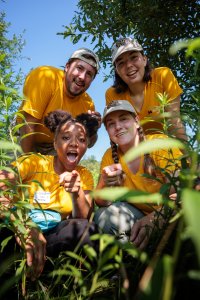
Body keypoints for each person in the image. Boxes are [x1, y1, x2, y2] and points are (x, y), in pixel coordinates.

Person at [0, 109, 99, 279]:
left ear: (86, 146)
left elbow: (83, 218)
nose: (74, 143)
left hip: (53, 237)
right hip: (17, 230)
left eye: (81, 140)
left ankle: (60, 281)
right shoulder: (33, 161)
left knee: (88, 230)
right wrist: (25, 227)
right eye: (66, 137)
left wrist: (77, 193)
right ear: (54, 144)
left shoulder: (84, 175)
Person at [94, 100, 182, 250]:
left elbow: (182, 193)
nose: (118, 127)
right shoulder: (110, 155)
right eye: (111, 124)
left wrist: (155, 217)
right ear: (108, 131)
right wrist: (104, 181)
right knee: (104, 216)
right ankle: (133, 260)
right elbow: (101, 202)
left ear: (136, 121)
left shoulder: (159, 144)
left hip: (172, 214)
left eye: (123, 119)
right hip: (138, 216)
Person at [18, 48, 101, 154]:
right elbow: (28, 124)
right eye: (79, 68)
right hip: (24, 135)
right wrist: (26, 163)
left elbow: (89, 144)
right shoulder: (45, 77)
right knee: (15, 168)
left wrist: (93, 129)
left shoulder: (88, 104)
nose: (82, 77)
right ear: (67, 67)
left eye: (89, 74)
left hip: (54, 146)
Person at [105, 37, 187, 142]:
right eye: (121, 63)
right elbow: (120, 136)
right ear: (117, 71)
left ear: (144, 59)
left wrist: (186, 157)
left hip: (168, 149)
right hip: (135, 152)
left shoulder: (163, 76)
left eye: (134, 57)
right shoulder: (112, 95)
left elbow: (175, 123)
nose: (129, 65)